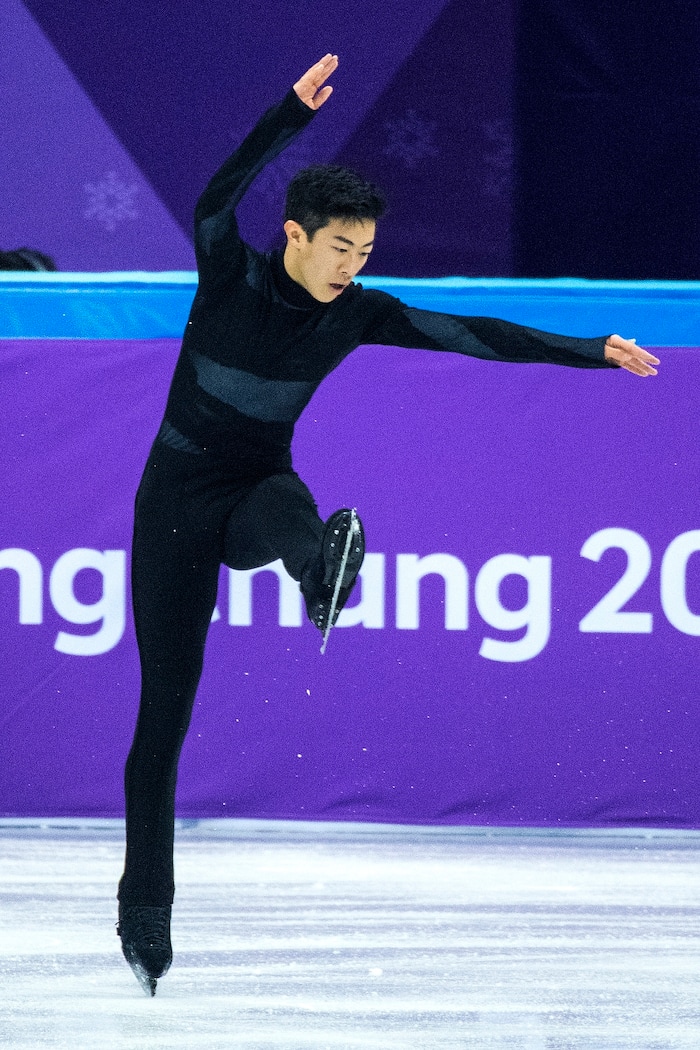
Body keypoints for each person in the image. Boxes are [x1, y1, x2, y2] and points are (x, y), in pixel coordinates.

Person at [116, 54, 660, 995]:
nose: (354, 268)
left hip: (255, 495)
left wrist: (591, 352)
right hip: (171, 504)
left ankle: (323, 567)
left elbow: (474, 333)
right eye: (340, 249)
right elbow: (219, 190)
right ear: (296, 236)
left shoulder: (359, 314)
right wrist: (288, 112)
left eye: (365, 253)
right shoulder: (228, 269)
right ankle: (145, 912)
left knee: (289, 505)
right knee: (162, 724)